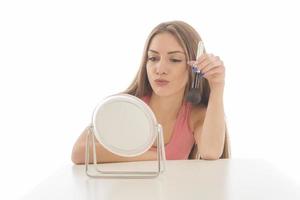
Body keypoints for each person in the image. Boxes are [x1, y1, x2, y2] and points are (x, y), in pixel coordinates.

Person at [71, 20, 230, 164]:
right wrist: (157, 157)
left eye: (174, 60)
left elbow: (211, 152)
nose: (160, 69)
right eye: (153, 58)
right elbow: (79, 152)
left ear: (195, 69)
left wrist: (217, 87)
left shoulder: (195, 116)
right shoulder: (124, 105)